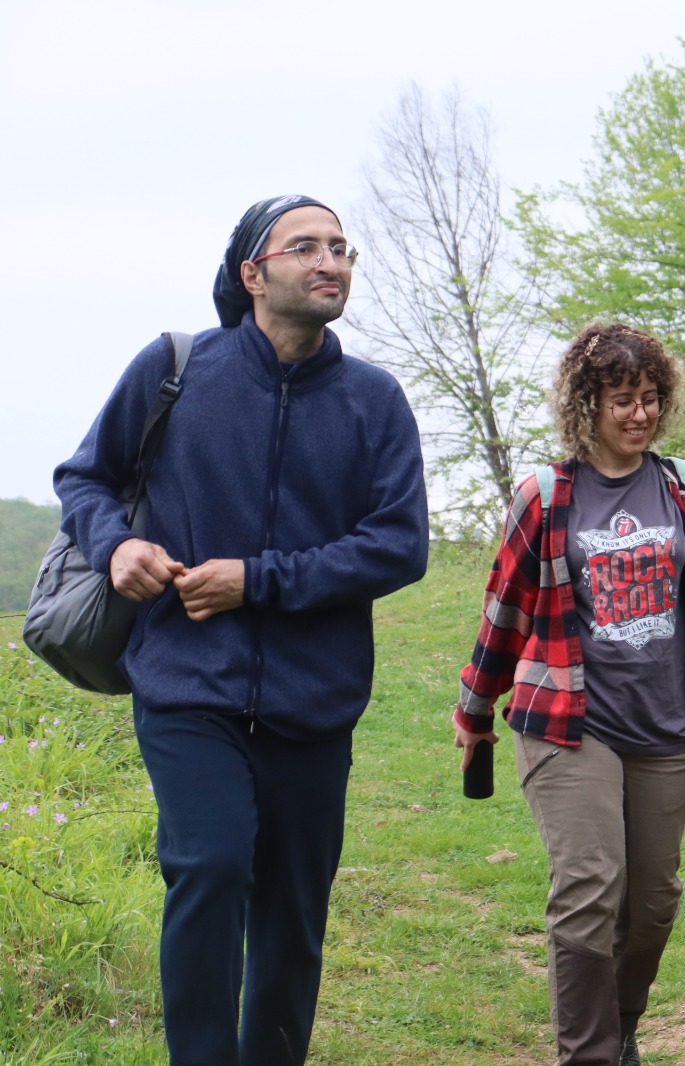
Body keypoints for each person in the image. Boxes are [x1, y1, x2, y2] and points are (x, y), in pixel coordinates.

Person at [53, 195, 431, 1066]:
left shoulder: (374, 400)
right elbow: (85, 480)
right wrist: (118, 548)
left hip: (314, 699)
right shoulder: (174, 370)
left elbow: (400, 545)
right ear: (251, 274)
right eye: (306, 247)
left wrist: (258, 580)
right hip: (187, 683)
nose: (330, 260)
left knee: (294, 920)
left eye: (341, 247)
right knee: (212, 867)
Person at [455, 323, 685, 1066]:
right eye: (622, 400)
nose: (640, 414)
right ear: (584, 404)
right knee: (592, 886)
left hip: (663, 724)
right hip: (569, 721)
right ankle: (589, 1055)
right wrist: (475, 710)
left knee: (652, 903)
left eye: (651, 398)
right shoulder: (546, 496)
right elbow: (505, 611)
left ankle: (620, 1029)